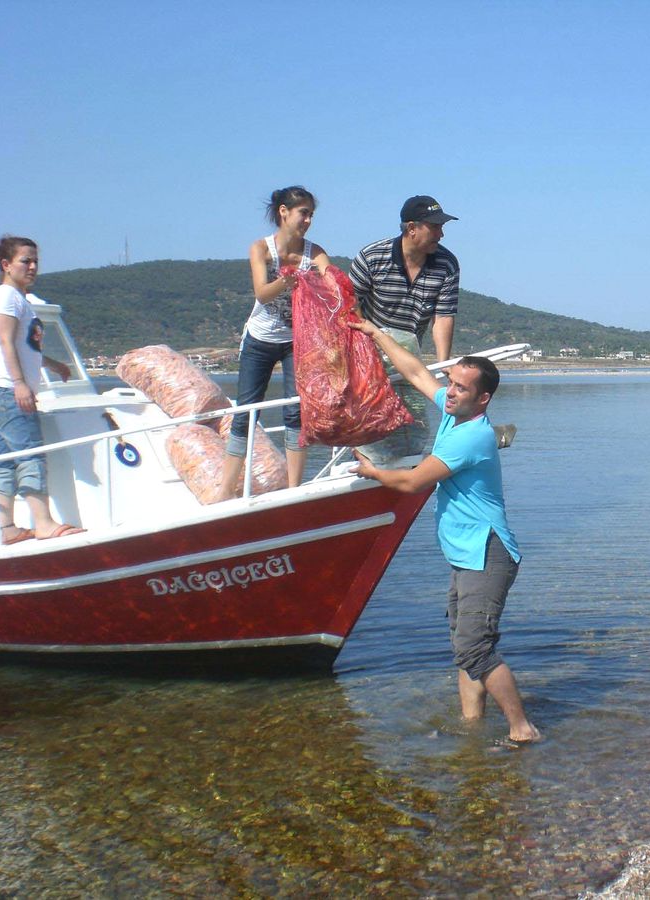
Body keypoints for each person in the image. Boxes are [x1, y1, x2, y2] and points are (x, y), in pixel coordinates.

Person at [347, 317, 539, 743]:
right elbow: (415, 371)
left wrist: (371, 471)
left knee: (474, 647)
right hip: (465, 553)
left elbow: (413, 482)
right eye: (450, 383)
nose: (450, 391)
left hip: (486, 553)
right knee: (464, 645)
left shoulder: (469, 437)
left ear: (483, 399)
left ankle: (522, 729)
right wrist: (375, 334)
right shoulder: (454, 415)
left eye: (461, 388)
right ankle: (471, 726)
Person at [216, 186, 330, 501]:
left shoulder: (314, 252)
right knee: (246, 412)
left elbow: (331, 282)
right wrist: (287, 280)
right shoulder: (261, 249)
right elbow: (262, 294)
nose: (308, 220)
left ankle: (294, 490)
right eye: (302, 213)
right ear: (283, 212)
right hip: (260, 339)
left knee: (296, 411)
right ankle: (225, 490)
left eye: (311, 214)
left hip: (297, 341)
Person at [348, 195, 460, 463]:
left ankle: (405, 470)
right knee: (372, 416)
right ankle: (366, 467)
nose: (441, 234)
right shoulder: (372, 257)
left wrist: (443, 361)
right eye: (435, 227)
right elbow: (350, 302)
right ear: (411, 228)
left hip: (411, 351)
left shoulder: (447, 264)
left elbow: (443, 316)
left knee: (412, 416)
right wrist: (367, 348)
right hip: (369, 347)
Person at [0, 235, 84, 543]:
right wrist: (21, 384)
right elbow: (5, 340)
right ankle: (44, 522)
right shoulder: (8, 296)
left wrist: (52, 364)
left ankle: (7, 528)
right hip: (8, 391)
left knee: (6, 460)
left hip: (3, 391)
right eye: (25, 261)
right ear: (6, 265)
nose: (33, 266)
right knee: (32, 453)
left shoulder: (18, 299)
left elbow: (23, 346)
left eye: (35, 261)